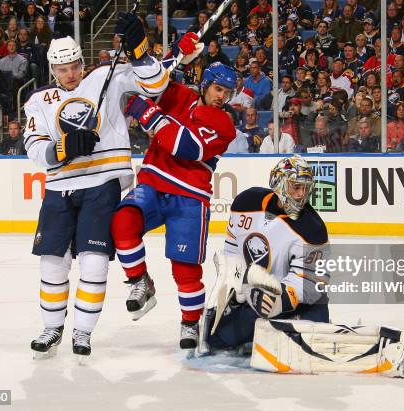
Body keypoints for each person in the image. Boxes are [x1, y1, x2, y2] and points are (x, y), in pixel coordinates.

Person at [24, 12, 175, 359]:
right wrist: (62, 148)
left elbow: (157, 85)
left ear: (82, 60)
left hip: (102, 183)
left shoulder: (110, 76)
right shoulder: (38, 101)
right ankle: (51, 329)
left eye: (75, 65)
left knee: (93, 261)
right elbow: (34, 149)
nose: (72, 74)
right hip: (60, 187)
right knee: (52, 262)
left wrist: (138, 53)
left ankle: (82, 332)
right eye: (63, 70)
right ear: (53, 70)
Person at [110, 57, 238, 350]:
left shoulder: (223, 124)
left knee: (185, 270)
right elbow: (146, 84)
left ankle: (191, 322)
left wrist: (153, 117)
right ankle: (140, 281)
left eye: (226, 93)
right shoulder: (180, 94)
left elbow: (186, 147)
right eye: (218, 89)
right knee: (122, 222)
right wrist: (174, 54)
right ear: (205, 85)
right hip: (153, 183)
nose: (222, 97)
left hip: (190, 195)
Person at [200, 156, 330, 351]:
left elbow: (312, 281)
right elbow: (232, 250)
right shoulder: (246, 202)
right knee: (215, 340)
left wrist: (283, 300)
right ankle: (272, 327)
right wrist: (237, 287)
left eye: (306, 188)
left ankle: (287, 323)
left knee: (316, 336)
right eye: (296, 187)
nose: (301, 194)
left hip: (295, 302)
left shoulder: (313, 228)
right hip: (253, 299)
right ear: (278, 183)